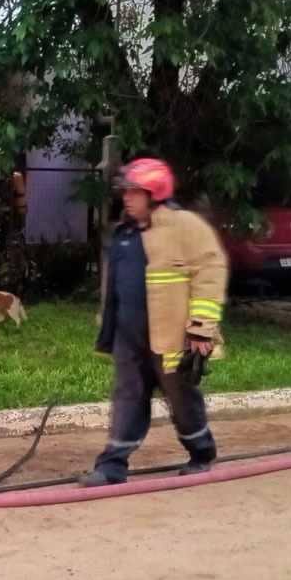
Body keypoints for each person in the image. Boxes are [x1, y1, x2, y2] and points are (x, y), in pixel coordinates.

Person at [79, 158, 227, 487]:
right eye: (126, 191)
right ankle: (112, 466)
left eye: (135, 192)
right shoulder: (125, 233)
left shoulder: (185, 226)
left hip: (172, 338)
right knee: (128, 397)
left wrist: (201, 329)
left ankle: (202, 453)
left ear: (155, 193)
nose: (126, 198)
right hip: (129, 338)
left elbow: (210, 273)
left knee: (182, 400)